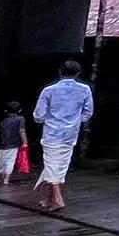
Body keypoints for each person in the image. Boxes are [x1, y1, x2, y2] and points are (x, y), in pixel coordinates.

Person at [32, 60, 94, 212]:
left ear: (60, 72)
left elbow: (38, 115)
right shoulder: (84, 89)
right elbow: (88, 112)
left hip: (52, 133)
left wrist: (47, 119)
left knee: (52, 165)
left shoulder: (49, 91)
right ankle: (48, 198)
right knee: (58, 166)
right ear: (77, 74)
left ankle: (58, 199)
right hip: (70, 133)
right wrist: (75, 121)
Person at [0, 101, 27, 186]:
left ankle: (0, 176)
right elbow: (22, 131)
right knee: (10, 161)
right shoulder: (20, 119)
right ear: (20, 110)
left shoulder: (4, 120)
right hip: (13, 143)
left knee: (2, 160)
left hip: (3, 143)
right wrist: (25, 142)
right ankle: (6, 178)